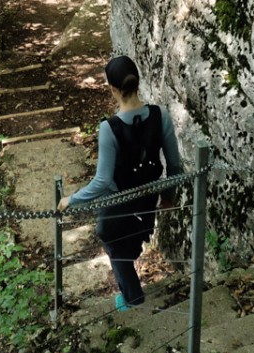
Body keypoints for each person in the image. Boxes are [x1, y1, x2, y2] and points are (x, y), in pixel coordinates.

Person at [58, 55, 183, 310]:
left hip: (117, 207)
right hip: (147, 203)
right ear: (138, 82)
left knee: (115, 248)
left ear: (113, 89)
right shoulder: (162, 116)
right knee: (129, 247)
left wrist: (71, 200)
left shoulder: (109, 128)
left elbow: (103, 182)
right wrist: (168, 197)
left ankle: (133, 301)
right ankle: (130, 298)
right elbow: (175, 166)